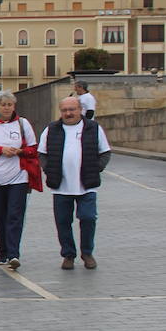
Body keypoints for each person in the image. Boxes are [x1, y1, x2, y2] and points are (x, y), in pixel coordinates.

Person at [38, 96, 110, 270]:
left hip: (87, 185)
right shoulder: (51, 129)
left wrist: (96, 168)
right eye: (65, 110)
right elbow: (42, 153)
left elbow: (105, 152)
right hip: (61, 186)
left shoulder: (93, 128)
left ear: (80, 110)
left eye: (72, 109)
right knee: (63, 221)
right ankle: (68, 254)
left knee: (88, 218)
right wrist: (49, 169)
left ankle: (87, 252)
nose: (68, 113)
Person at [0, 91, 37, 269]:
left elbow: (33, 148)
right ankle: (2, 251)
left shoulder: (22, 124)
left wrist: (20, 151)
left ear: (14, 106)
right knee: (0, 216)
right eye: (3, 104)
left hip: (18, 177)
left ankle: (13, 253)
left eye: (10, 104)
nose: (6, 108)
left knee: (15, 215)